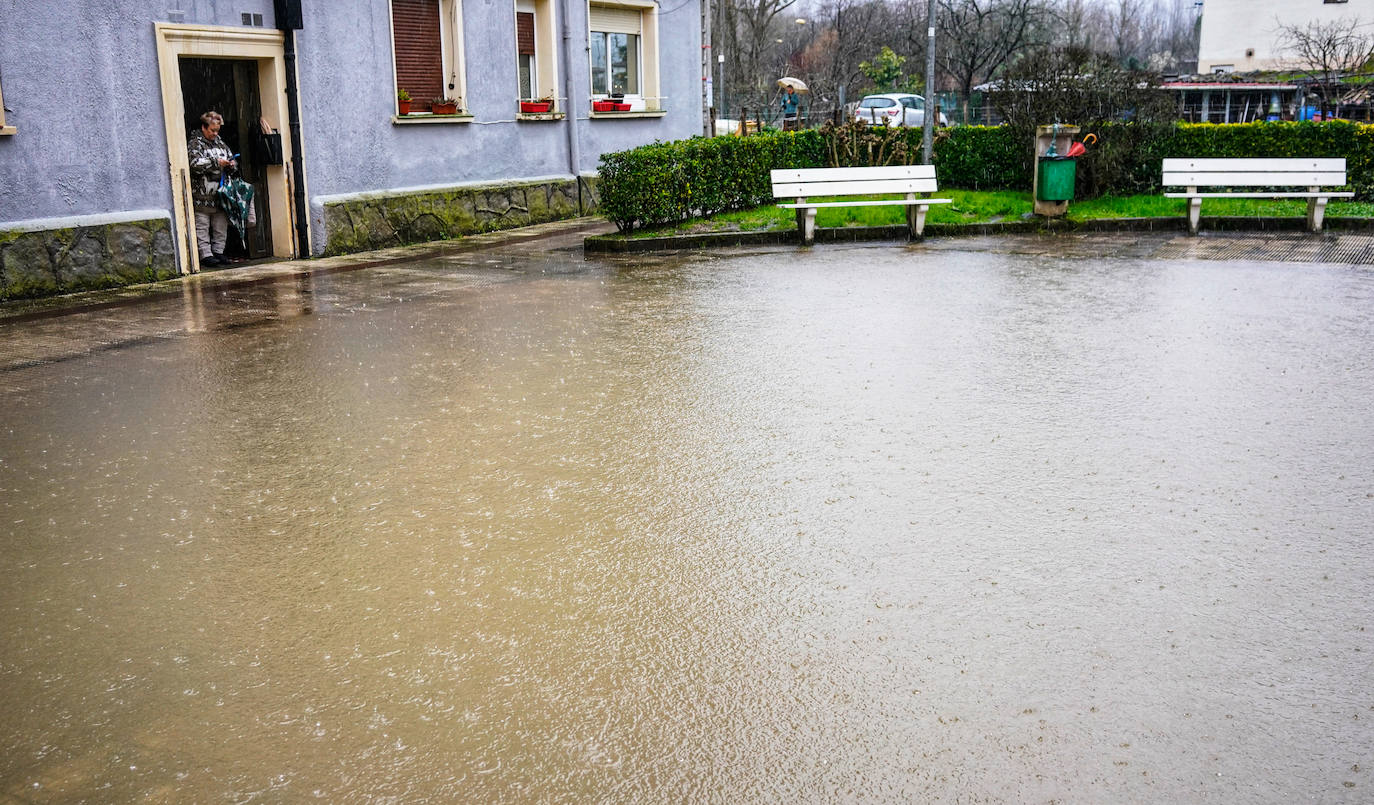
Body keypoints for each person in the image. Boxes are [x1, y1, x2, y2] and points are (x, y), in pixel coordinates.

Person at [187, 111, 236, 266]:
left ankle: (219, 252)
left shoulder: (221, 143)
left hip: (221, 195)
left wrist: (232, 165)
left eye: (217, 131)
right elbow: (194, 164)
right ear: (203, 127)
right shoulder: (195, 143)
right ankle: (206, 255)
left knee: (220, 227)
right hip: (202, 194)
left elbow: (230, 157)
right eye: (212, 130)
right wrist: (216, 162)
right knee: (202, 226)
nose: (215, 133)